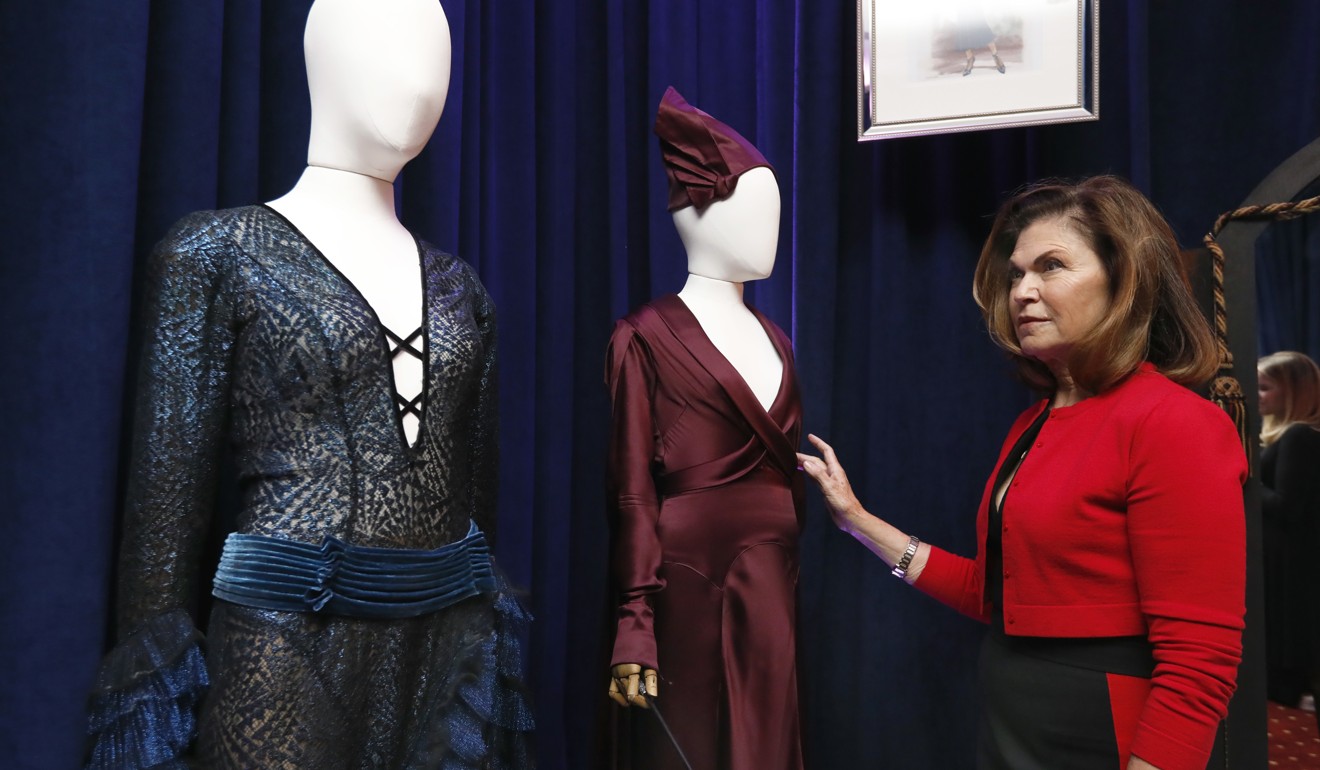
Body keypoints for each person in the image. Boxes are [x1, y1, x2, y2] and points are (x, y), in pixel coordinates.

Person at [83, 1, 532, 767]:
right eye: (391, 49)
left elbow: (476, 504)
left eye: (437, 57)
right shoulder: (215, 253)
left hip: (443, 647)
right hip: (282, 646)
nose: (420, 82)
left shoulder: (463, 290)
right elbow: (162, 532)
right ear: (321, 57)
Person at [798, 176, 1247, 770]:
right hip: (1013, 714)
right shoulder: (1032, 424)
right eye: (1016, 273)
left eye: (1052, 266)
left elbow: (1200, 660)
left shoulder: (1175, 423)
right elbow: (997, 596)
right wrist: (857, 522)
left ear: (1123, 280)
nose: (1024, 291)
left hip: (1104, 728)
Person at [603, 87, 805, 770]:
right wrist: (635, 623)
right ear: (695, 214)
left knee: (768, 743)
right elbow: (632, 492)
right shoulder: (645, 336)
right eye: (754, 210)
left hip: (771, 580)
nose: (769, 229)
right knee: (687, 747)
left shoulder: (778, 341)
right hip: (687, 582)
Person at [1257, 351, 1320, 716]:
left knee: (1284, 672)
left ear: (1293, 393)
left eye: (1265, 387)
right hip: (1285, 558)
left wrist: (1245, 480)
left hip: (1288, 564)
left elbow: (1286, 505)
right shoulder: (1289, 435)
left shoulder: (1298, 435)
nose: (1257, 393)